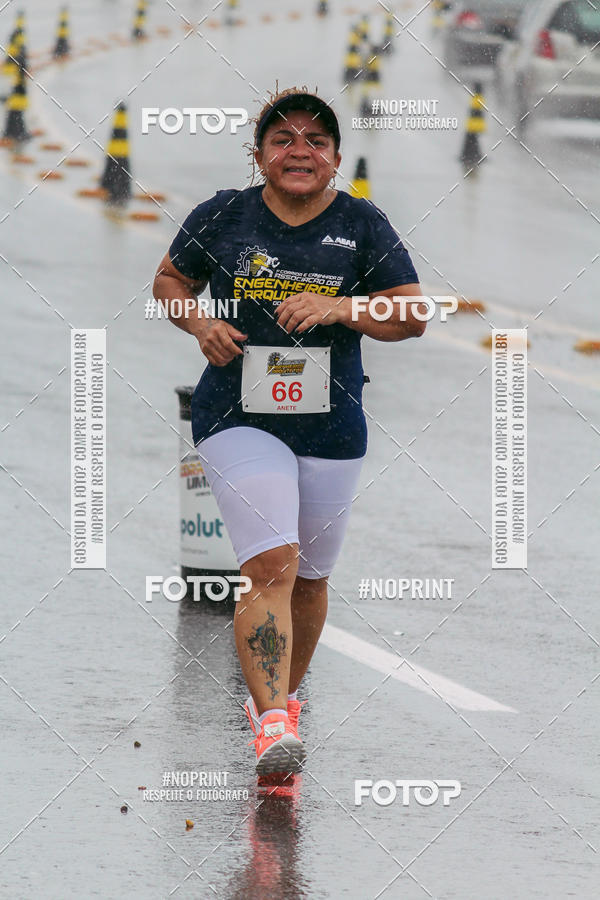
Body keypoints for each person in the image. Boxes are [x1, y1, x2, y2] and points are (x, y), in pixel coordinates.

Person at [153, 87, 425, 776]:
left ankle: (282, 703)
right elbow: (168, 281)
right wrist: (199, 322)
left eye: (316, 141)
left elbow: (412, 315)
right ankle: (271, 720)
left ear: (335, 159)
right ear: (260, 154)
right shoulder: (223, 215)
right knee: (271, 564)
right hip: (236, 415)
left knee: (308, 578)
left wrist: (341, 309)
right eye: (283, 139)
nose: (299, 151)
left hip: (332, 424)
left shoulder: (362, 224)